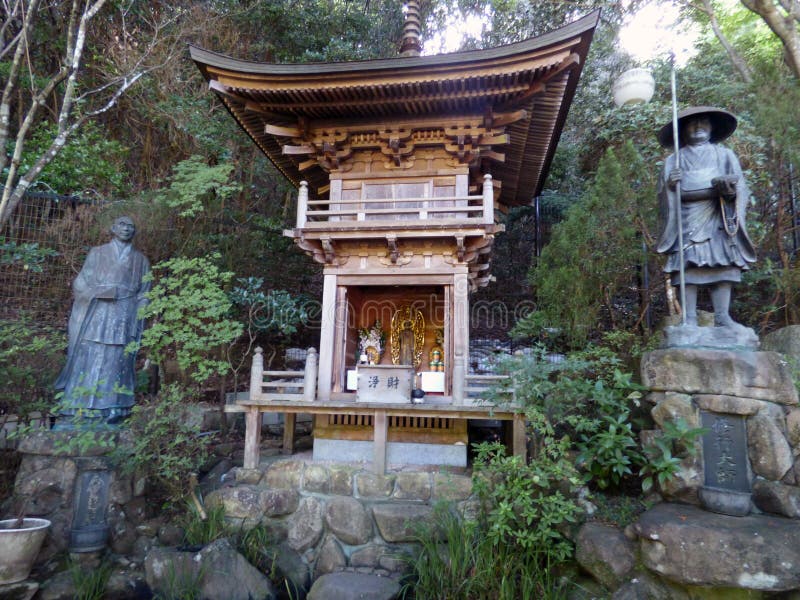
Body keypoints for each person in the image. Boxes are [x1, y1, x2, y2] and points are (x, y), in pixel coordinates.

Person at [656, 106, 756, 327]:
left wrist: (729, 190)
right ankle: (689, 318)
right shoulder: (674, 160)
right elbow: (663, 196)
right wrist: (671, 185)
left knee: (724, 264)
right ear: (682, 131)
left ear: (712, 127)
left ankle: (722, 316)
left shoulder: (725, 155)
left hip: (718, 216)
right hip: (687, 219)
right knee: (687, 266)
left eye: (704, 122)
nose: (698, 126)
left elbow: (740, 187)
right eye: (692, 123)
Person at [54, 216, 150, 427]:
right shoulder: (97, 253)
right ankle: (79, 407)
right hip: (98, 312)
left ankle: (115, 407)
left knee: (118, 359)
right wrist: (100, 291)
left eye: (131, 226)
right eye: (122, 224)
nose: (126, 229)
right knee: (89, 356)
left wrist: (141, 310)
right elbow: (81, 283)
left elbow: (145, 292)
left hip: (125, 314)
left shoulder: (141, 260)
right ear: (113, 228)